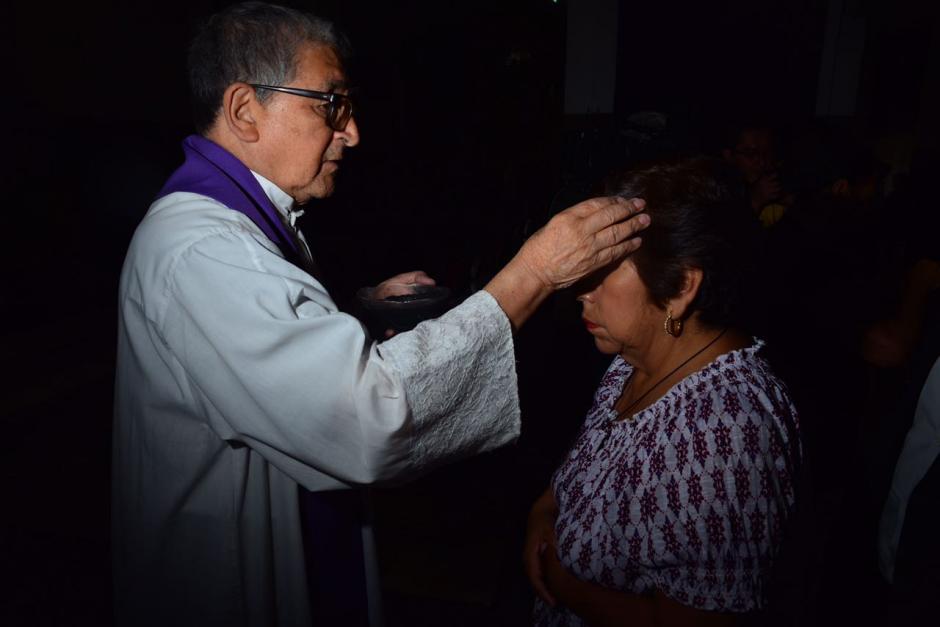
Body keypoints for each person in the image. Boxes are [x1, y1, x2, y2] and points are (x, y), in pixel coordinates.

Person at [111, 3, 650, 627]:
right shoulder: (205, 247)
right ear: (244, 110)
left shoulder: (233, 221)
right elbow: (366, 419)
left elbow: (266, 352)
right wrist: (531, 275)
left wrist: (356, 316)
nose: (352, 132)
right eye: (330, 104)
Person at [522, 157, 802, 626]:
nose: (581, 291)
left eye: (603, 272)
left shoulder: (727, 435)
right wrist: (540, 515)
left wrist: (563, 583)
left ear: (680, 289)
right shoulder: (633, 359)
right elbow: (579, 478)